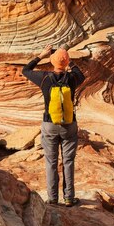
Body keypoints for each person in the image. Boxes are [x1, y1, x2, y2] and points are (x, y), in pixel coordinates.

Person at [22, 44, 85, 207]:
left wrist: (41, 55)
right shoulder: (72, 78)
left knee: (51, 162)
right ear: (67, 62)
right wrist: (68, 60)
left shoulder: (44, 78)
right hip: (69, 125)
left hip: (49, 124)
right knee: (68, 161)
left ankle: (52, 198)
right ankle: (69, 198)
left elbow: (26, 70)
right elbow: (80, 73)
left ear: (51, 61)